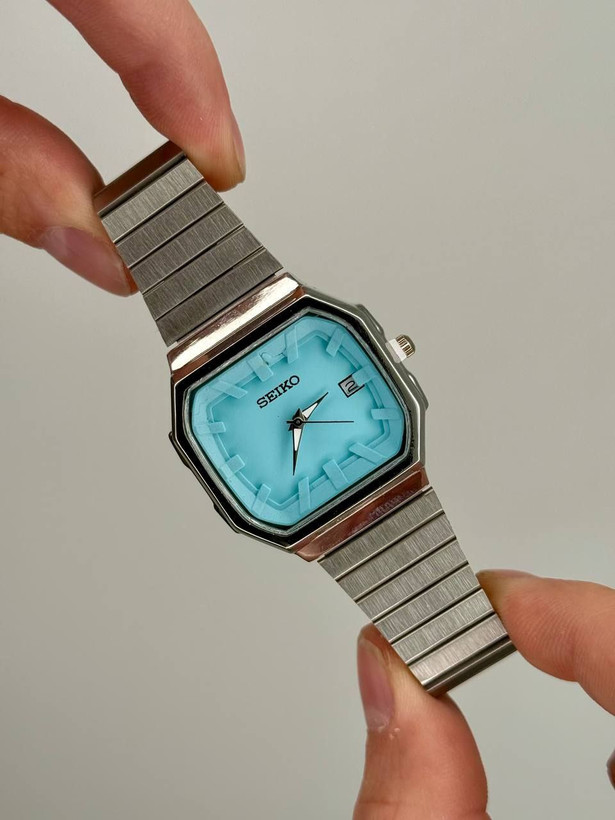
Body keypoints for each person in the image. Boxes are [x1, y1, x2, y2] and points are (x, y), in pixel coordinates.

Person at [1, 2, 613, 816]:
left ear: (383, 356)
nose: (294, 421)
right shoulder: (281, 371)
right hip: (321, 484)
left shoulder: (298, 372)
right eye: (291, 422)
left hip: (374, 480)